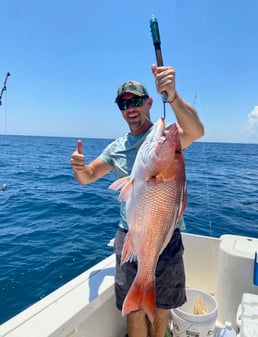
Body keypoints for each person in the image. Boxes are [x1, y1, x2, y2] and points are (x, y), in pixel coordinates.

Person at [70, 64, 204, 337]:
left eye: (136, 101)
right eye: (124, 103)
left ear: (150, 103)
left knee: (163, 306)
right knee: (133, 309)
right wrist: (80, 169)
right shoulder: (117, 148)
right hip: (129, 233)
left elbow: (196, 130)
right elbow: (88, 177)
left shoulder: (167, 136)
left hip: (165, 236)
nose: (130, 108)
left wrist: (174, 96)